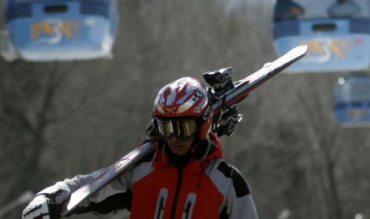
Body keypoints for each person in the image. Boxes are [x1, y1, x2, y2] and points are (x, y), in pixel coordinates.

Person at [21, 77, 259, 219]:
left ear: (202, 124)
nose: (174, 138)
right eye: (167, 128)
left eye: (184, 127)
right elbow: (91, 188)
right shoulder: (141, 170)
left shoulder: (227, 182)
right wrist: (52, 195)